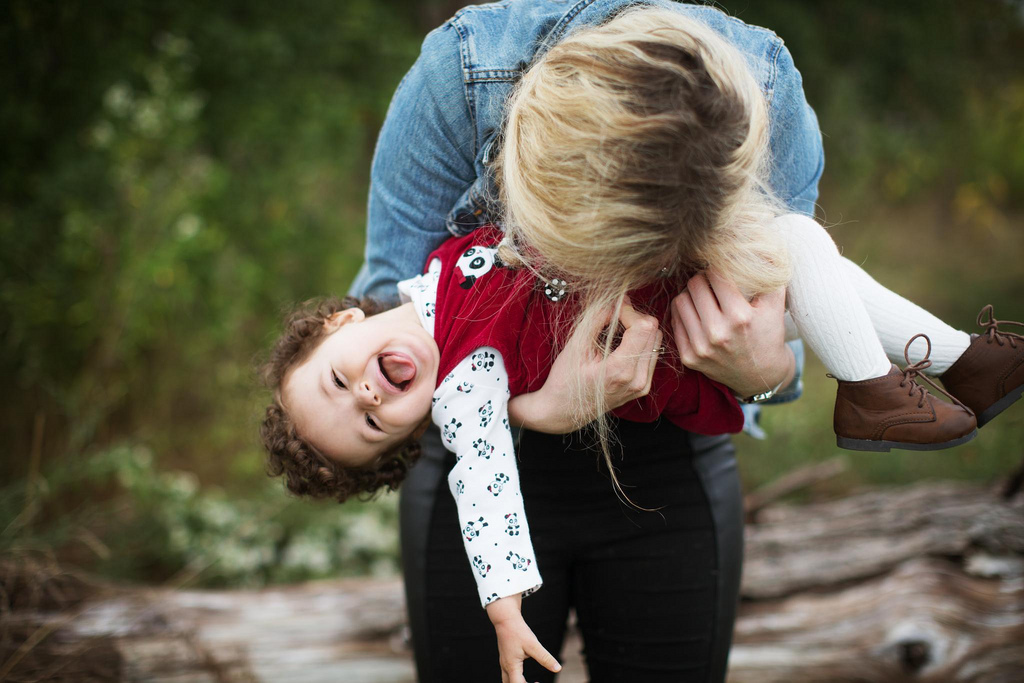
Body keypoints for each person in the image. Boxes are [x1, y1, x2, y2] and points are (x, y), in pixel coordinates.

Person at [271, 2, 1021, 682]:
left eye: (340, 385)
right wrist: (532, 417)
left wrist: (766, 371)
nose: (366, 393)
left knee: (799, 248)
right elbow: (483, 485)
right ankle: (895, 384)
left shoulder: (763, 79)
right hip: (543, 465)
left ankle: (950, 364)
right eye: (371, 423)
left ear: (339, 322)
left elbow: (771, 310)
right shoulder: (463, 77)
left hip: (671, 430)